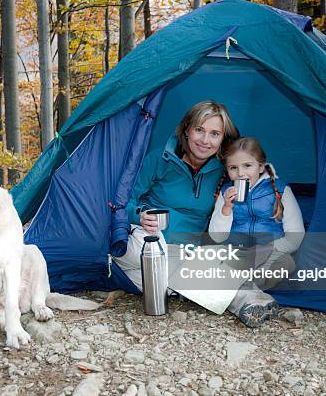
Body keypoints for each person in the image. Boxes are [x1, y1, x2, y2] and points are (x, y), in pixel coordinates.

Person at [114, 101, 240, 290]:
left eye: (214, 134)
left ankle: (150, 280)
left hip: (187, 248)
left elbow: (255, 170)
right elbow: (124, 201)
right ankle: (164, 279)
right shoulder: (160, 159)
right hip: (148, 238)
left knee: (164, 280)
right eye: (199, 130)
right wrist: (139, 215)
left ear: (223, 138)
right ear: (187, 130)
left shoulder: (225, 170)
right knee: (150, 255)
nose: (205, 141)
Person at [209, 137, 305, 327]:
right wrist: (226, 209)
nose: (240, 173)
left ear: (261, 167)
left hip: (270, 255)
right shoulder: (225, 193)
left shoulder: (281, 191)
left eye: (247, 166)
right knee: (207, 260)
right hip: (236, 255)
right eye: (233, 168)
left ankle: (236, 288)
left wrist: (266, 248)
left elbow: (295, 237)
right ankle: (253, 299)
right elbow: (216, 237)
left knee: (286, 263)